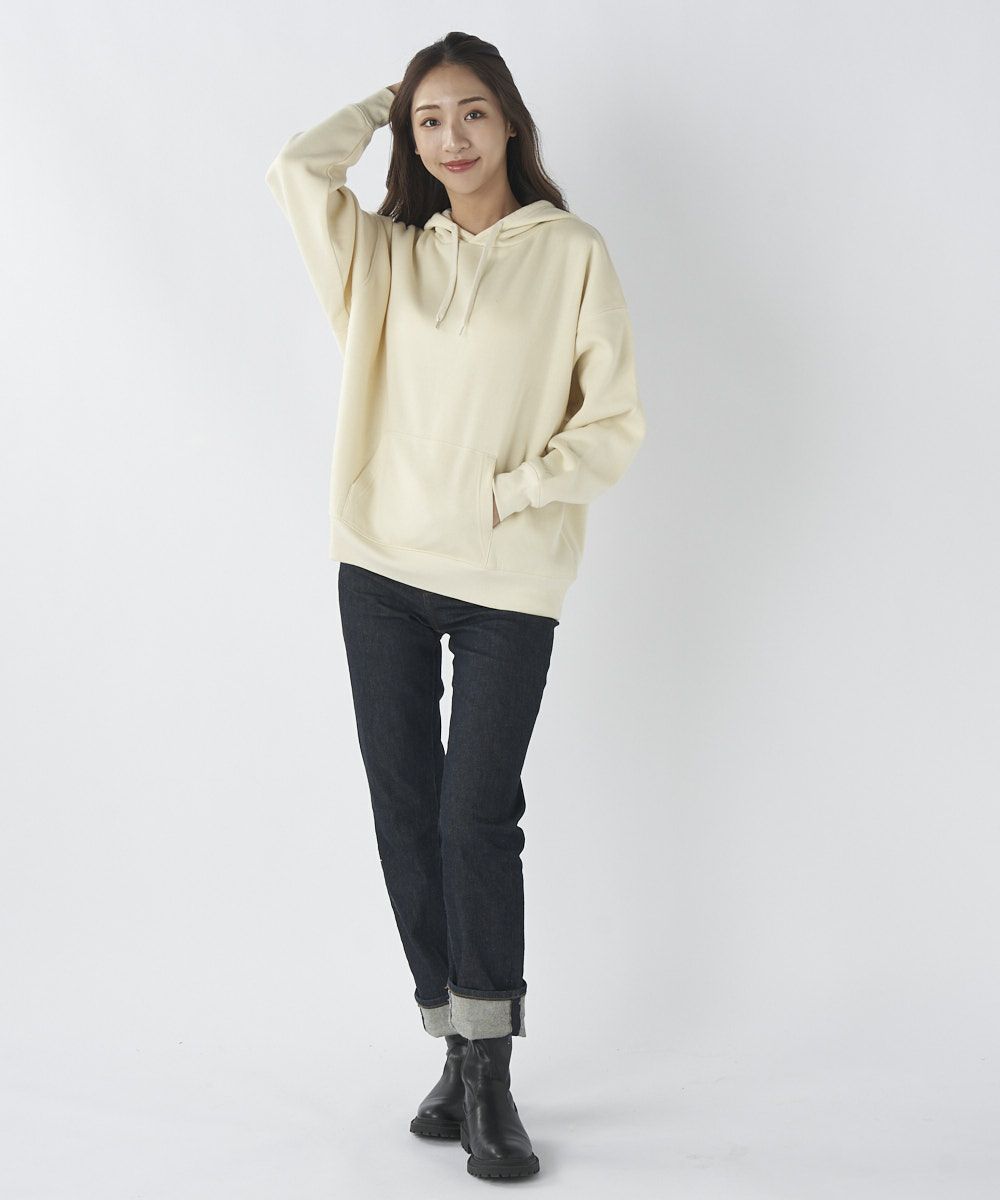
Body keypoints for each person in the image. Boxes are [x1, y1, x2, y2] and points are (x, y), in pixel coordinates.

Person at [265, 30, 645, 1180]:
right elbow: (294, 170)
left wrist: (512, 494)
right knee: (404, 813)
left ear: (509, 121)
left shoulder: (570, 251)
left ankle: (493, 1081)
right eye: (429, 121)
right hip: (379, 567)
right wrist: (388, 96)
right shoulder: (384, 259)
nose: (452, 138)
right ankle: (460, 1047)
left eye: (471, 112)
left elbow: (613, 420)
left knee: (474, 818)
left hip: (505, 580)